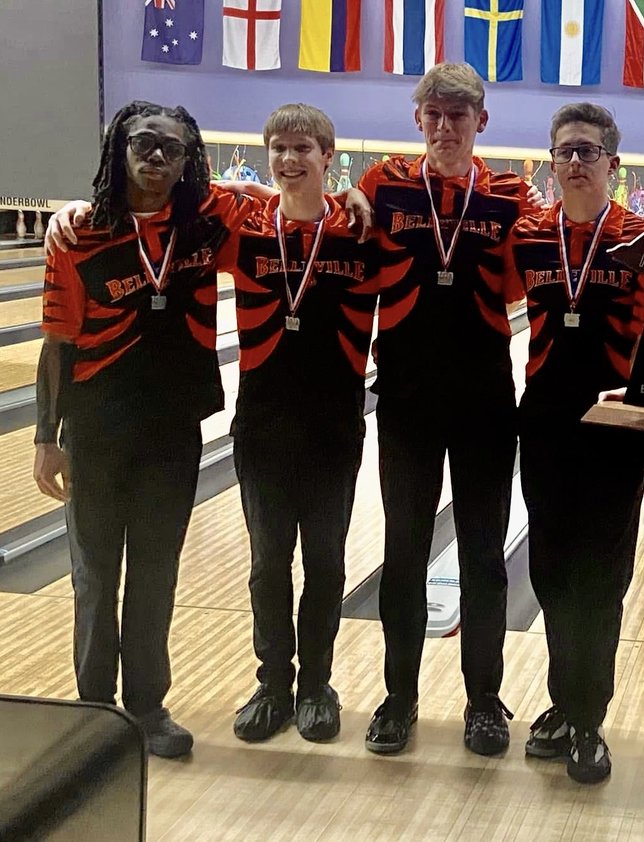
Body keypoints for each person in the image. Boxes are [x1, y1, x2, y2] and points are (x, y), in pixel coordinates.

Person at [34, 100, 256, 758]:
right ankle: (95, 708)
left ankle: (148, 707)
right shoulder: (79, 234)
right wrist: (46, 437)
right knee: (95, 577)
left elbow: (281, 205)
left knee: (156, 573)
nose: (156, 157)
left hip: (172, 431)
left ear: (189, 161)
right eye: (143, 144)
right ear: (118, 149)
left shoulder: (206, 223)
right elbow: (56, 340)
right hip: (96, 430)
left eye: (171, 148)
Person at [356, 63, 536, 757]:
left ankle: (483, 702)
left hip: (485, 399)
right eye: (433, 113)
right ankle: (398, 698)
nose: (445, 126)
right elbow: (322, 214)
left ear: (481, 123)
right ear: (417, 120)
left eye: (459, 115)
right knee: (402, 553)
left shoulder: (511, 197)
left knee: (486, 559)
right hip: (404, 399)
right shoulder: (385, 186)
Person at [501, 102, 644, 784]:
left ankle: (589, 718)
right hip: (546, 424)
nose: (576, 161)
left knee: (603, 577)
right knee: (553, 572)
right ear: (552, 161)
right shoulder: (529, 236)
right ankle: (564, 702)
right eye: (565, 150)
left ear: (612, 164)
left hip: (617, 431)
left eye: (589, 151)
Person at [222, 104, 383, 744]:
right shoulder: (245, 232)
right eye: (279, 150)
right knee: (267, 565)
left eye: (302, 149)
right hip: (260, 428)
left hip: (333, 429)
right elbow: (176, 196)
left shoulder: (360, 235)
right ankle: (272, 684)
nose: (289, 161)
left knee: (326, 562)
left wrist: (350, 196)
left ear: (327, 154)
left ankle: (316, 682)